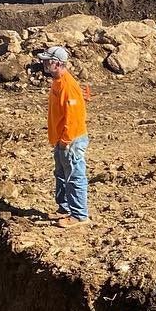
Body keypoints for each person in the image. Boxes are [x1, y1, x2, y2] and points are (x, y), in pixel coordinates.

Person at [37, 44, 89, 227]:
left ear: (57, 63)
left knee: (74, 177)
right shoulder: (57, 82)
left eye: (47, 61)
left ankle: (79, 215)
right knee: (61, 174)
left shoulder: (68, 86)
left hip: (71, 140)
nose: (44, 64)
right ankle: (64, 209)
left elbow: (74, 117)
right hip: (61, 139)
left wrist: (66, 141)